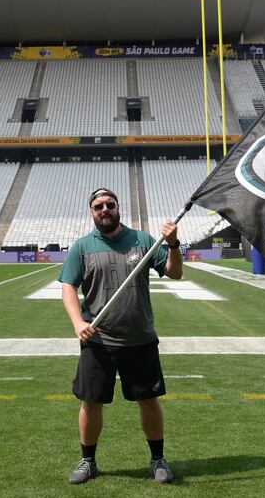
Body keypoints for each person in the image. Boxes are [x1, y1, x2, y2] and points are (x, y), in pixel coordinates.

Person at [58, 187, 183, 485]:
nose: (105, 209)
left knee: (149, 401)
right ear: (91, 212)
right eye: (98, 206)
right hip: (97, 341)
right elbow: (67, 288)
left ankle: (157, 459)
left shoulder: (142, 240)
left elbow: (174, 272)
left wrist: (174, 244)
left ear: (118, 208)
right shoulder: (82, 247)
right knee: (91, 402)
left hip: (139, 338)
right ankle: (88, 460)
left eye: (109, 204)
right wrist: (77, 323)